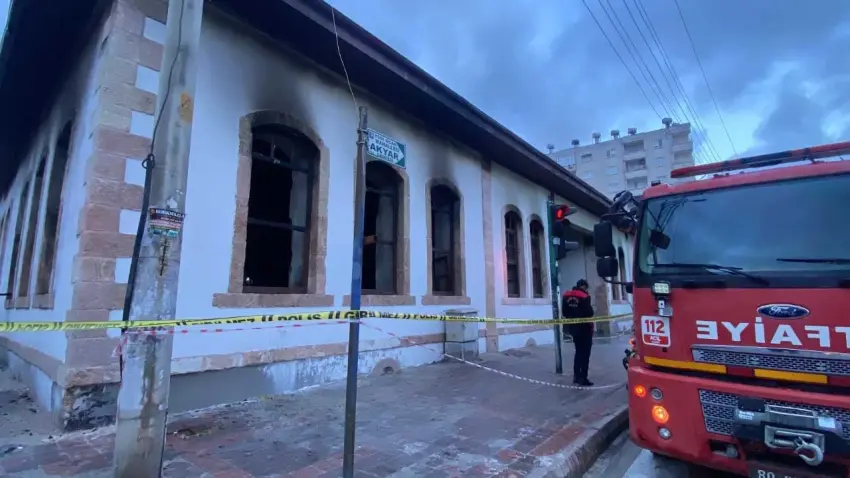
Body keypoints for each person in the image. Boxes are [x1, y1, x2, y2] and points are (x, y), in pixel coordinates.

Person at [562, 279, 595, 386]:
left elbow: (564, 312)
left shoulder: (566, 296)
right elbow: (589, 312)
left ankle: (576, 376)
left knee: (578, 352)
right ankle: (583, 378)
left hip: (573, 328)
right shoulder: (584, 296)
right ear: (584, 286)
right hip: (585, 328)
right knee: (585, 354)